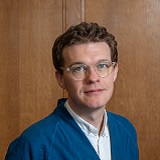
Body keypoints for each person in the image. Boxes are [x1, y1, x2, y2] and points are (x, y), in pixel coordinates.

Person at [5, 22, 139, 160]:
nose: (93, 78)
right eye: (79, 68)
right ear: (61, 79)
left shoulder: (125, 130)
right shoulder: (32, 145)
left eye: (102, 65)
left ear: (114, 71)